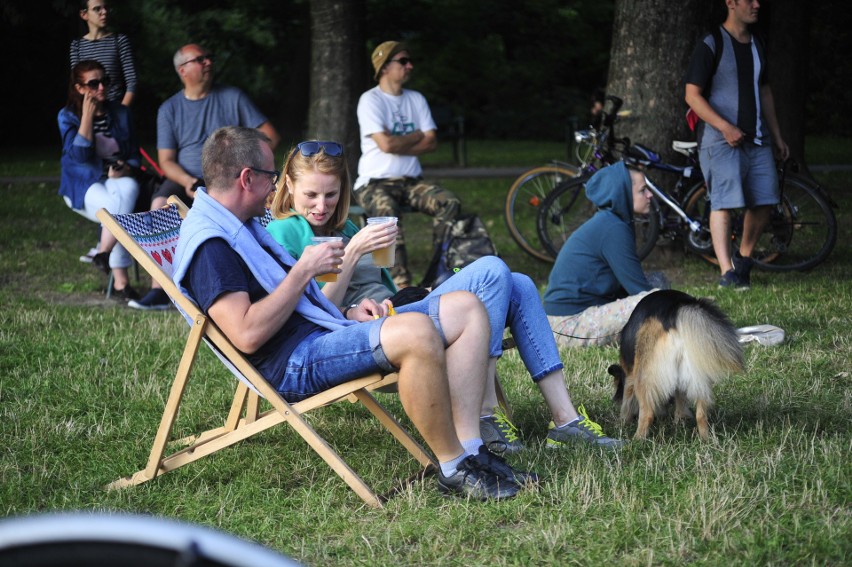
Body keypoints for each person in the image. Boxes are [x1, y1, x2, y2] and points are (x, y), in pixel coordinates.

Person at [172, 126, 538, 500]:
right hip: (295, 362)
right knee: (415, 331)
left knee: (467, 307)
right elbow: (246, 335)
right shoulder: (212, 246)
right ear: (247, 178)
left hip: (322, 331)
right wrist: (303, 271)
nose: (274, 185)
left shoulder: (239, 226)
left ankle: (473, 449)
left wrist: (347, 309)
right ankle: (452, 466)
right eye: (270, 177)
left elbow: (296, 304)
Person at [266, 140, 624, 455]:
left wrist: (367, 291)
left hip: (393, 311)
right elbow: (308, 314)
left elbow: (367, 293)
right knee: (492, 270)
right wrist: (355, 257)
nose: (321, 205)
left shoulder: (343, 227)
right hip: (367, 338)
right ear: (289, 186)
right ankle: (483, 415)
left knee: (521, 284)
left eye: (330, 194)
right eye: (311, 194)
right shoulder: (284, 231)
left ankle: (565, 420)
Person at [131, 43, 282, 310]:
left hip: (232, 175)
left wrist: (240, 152)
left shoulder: (232, 97)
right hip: (185, 177)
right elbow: (166, 160)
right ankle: (160, 288)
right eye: (200, 59)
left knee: (267, 196)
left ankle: (263, 271)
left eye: (209, 57)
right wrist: (188, 182)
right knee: (159, 205)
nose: (209, 62)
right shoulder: (169, 109)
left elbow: (271, 136)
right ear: (182, 70)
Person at [684, 0, 789, 290]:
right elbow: (692, 95)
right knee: (724, 203)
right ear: (731, 3)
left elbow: (764, 90)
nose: (757, 5)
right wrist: (725, 127)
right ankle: (727, 272)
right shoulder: (712, 43)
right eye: (749, 0)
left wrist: (777, 136)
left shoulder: (758, 43)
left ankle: (742, 261)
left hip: (757, 139)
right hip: (719, 141)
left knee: (766, 199)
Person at [354, 41, 461, 288]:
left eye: (409, 61)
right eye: (403, 61)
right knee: (386, 217)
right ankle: (398, 286)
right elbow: (387, 146)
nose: (409, 66)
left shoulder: (416, 99)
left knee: (449, 202)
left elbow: (432, 141)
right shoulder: (370, 100)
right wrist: (416, 136)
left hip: (411, 182)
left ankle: (441, 270)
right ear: (384, 67)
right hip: (374, 183)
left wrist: (398, 140)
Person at [544, 162, 664, 347]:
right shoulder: (613, 228)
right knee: (657, 301)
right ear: (622, 193)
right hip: (568, 326)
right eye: (643, 190)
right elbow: (640, 292)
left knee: (659, 282)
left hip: (576, 315)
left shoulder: (611, 222)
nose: (650, 195)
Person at [58, 60, 141, 301]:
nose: (102, 87)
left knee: (129, 189)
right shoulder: (66, 116)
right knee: (116, 211)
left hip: (117, 178)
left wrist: (126, 167)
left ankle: (104, 254)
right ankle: (120, 282)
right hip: (83, 182)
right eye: (94, 83)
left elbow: (135, 154)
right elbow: (80, 157)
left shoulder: (122, 113)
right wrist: (87, 116)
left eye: (105, 81)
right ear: (80, 88)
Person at [70, 0, 137, 107]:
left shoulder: (119, 41)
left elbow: (132, 82)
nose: (104, 12)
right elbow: (76, 83)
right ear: (84, 14)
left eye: (106, 7)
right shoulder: (77, 45)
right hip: (89, 109)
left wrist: (122, 112)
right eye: (97, 9)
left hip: (115, 106)